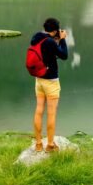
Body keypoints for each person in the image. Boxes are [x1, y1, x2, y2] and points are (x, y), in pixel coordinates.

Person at [31, 17, 68, 152]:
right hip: (51, 81)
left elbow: (47, 51)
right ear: (55, 30)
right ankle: (50, 145)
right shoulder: (51, 42)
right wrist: (63, 40)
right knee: (51, 113)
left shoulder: (37, 38)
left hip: (39, 80)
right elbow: (64, 55)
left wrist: (55, 41)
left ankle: (38, 144)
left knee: (39, 110)